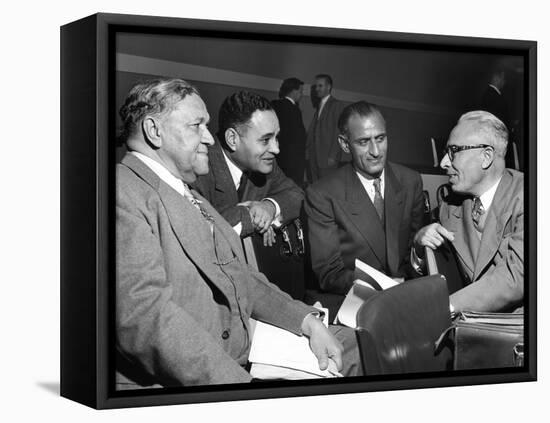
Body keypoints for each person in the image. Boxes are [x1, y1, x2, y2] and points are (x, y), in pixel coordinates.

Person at [115, 78, 361, 389]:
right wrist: (237, 386)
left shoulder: (185, 192)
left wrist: (306, 320)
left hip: (240, 343)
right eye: (197, 125)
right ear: (154, 131)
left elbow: (239, 276)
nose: (208, 137)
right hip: (204, 370)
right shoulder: (122, 192)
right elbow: (145, 320)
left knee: (354, 346)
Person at [305, 101, 424, 296]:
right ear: (344, 144)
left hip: (406, 296)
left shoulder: (411, 181)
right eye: (363, 142)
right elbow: (329, 274)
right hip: (355, 301)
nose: (376, 151)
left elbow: (416, 254)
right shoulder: (322, 194)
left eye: (380, 138)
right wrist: (382, 285)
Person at [193, 91, 305, 298]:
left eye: (276, 137)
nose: (276, 149)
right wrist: (249, 216)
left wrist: (269, 207)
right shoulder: (198, 169)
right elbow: (200, 235)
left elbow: (295, 194)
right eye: (265, 140)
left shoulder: (264, 162)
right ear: (232, 139)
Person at [412, 111, 523, 313]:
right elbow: (430, 278)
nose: (444, 162)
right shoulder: (449, 207)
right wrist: (420, 246)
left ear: (486, 156)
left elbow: (516, 276)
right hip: (468, 328)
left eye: (454, 151)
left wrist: (445, 307)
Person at [306, 74, 348, 182]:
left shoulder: (336, 105)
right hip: (314, 156)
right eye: (316, 86)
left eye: (320, 86)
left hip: (327, 157)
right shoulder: (320, 105)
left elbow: (339, 131)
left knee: (327, 188)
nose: (317, 89)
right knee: (316, 188)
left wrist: (333, 155)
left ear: (328, 87)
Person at [271, 78, 307, 186]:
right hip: (293, 159)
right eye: (300, 91)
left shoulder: (275, 105)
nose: (301, 95)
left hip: (279, 157)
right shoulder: (293, 109)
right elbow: (298, 136)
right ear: (294, 91)